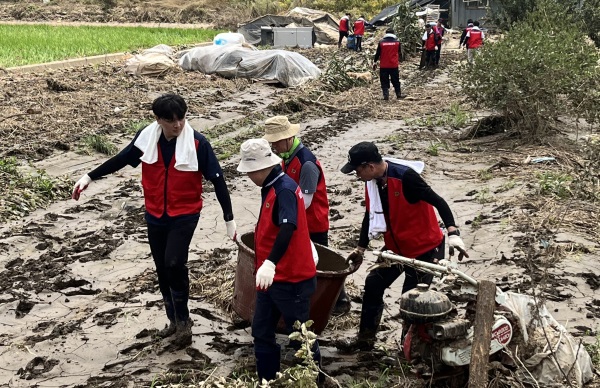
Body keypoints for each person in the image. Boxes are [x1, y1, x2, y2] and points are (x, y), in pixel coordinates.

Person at [71, 94, 236, 348]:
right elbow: (122, 159)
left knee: (174, 263)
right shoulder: (147, 139)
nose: (177, 125)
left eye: (181, 119)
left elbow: (218, 180)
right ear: (157, 119)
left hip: (185, 213)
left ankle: (184, 322)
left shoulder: (197, 143)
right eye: (170, 121)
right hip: (156, 213)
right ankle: (173, 322)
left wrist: (229, 219)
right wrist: (89, 177)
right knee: (161, 268)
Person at [336, 142, 468, 352]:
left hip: (425, 249)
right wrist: (360, 249)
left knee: (411, 301)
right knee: (373, 284)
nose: (357, 176)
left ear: (370, 167)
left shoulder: (405, 177)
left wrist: (453, 233)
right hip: (396, 252)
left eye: (358, 171)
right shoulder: (374, 183)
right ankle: (365, 341)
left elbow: (439, 201)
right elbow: (369, 217)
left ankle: (408, 352)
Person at [237, 138, 322, 381]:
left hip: (290, 279)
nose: (249, 177)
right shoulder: (272, 184)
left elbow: (288, 227)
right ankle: (268, 380)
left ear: (261, 168)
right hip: (271, 279)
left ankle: (313, 380)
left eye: (250, 172)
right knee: (262, 330)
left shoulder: (283, 189)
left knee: (300, 336)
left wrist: (270, 263)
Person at [262, 116, 350, 316]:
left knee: (320, 263)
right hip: (299, 221)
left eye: (275, 141)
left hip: (313, 222)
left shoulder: (306, 164)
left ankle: (339, 300)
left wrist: (284, 214)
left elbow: (307, 200)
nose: (273, 146)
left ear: (288, 138)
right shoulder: (287, 158)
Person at [373, 28, 403, 100]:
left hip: (384, 65)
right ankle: (398, 94)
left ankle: (386, 95)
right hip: (394, 65)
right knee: (396, 80)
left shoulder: (381, 42)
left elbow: (378, 54)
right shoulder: (397, 42)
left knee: (384, 80)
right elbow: (400, 53)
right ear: (393, 33)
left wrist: (374, 61)